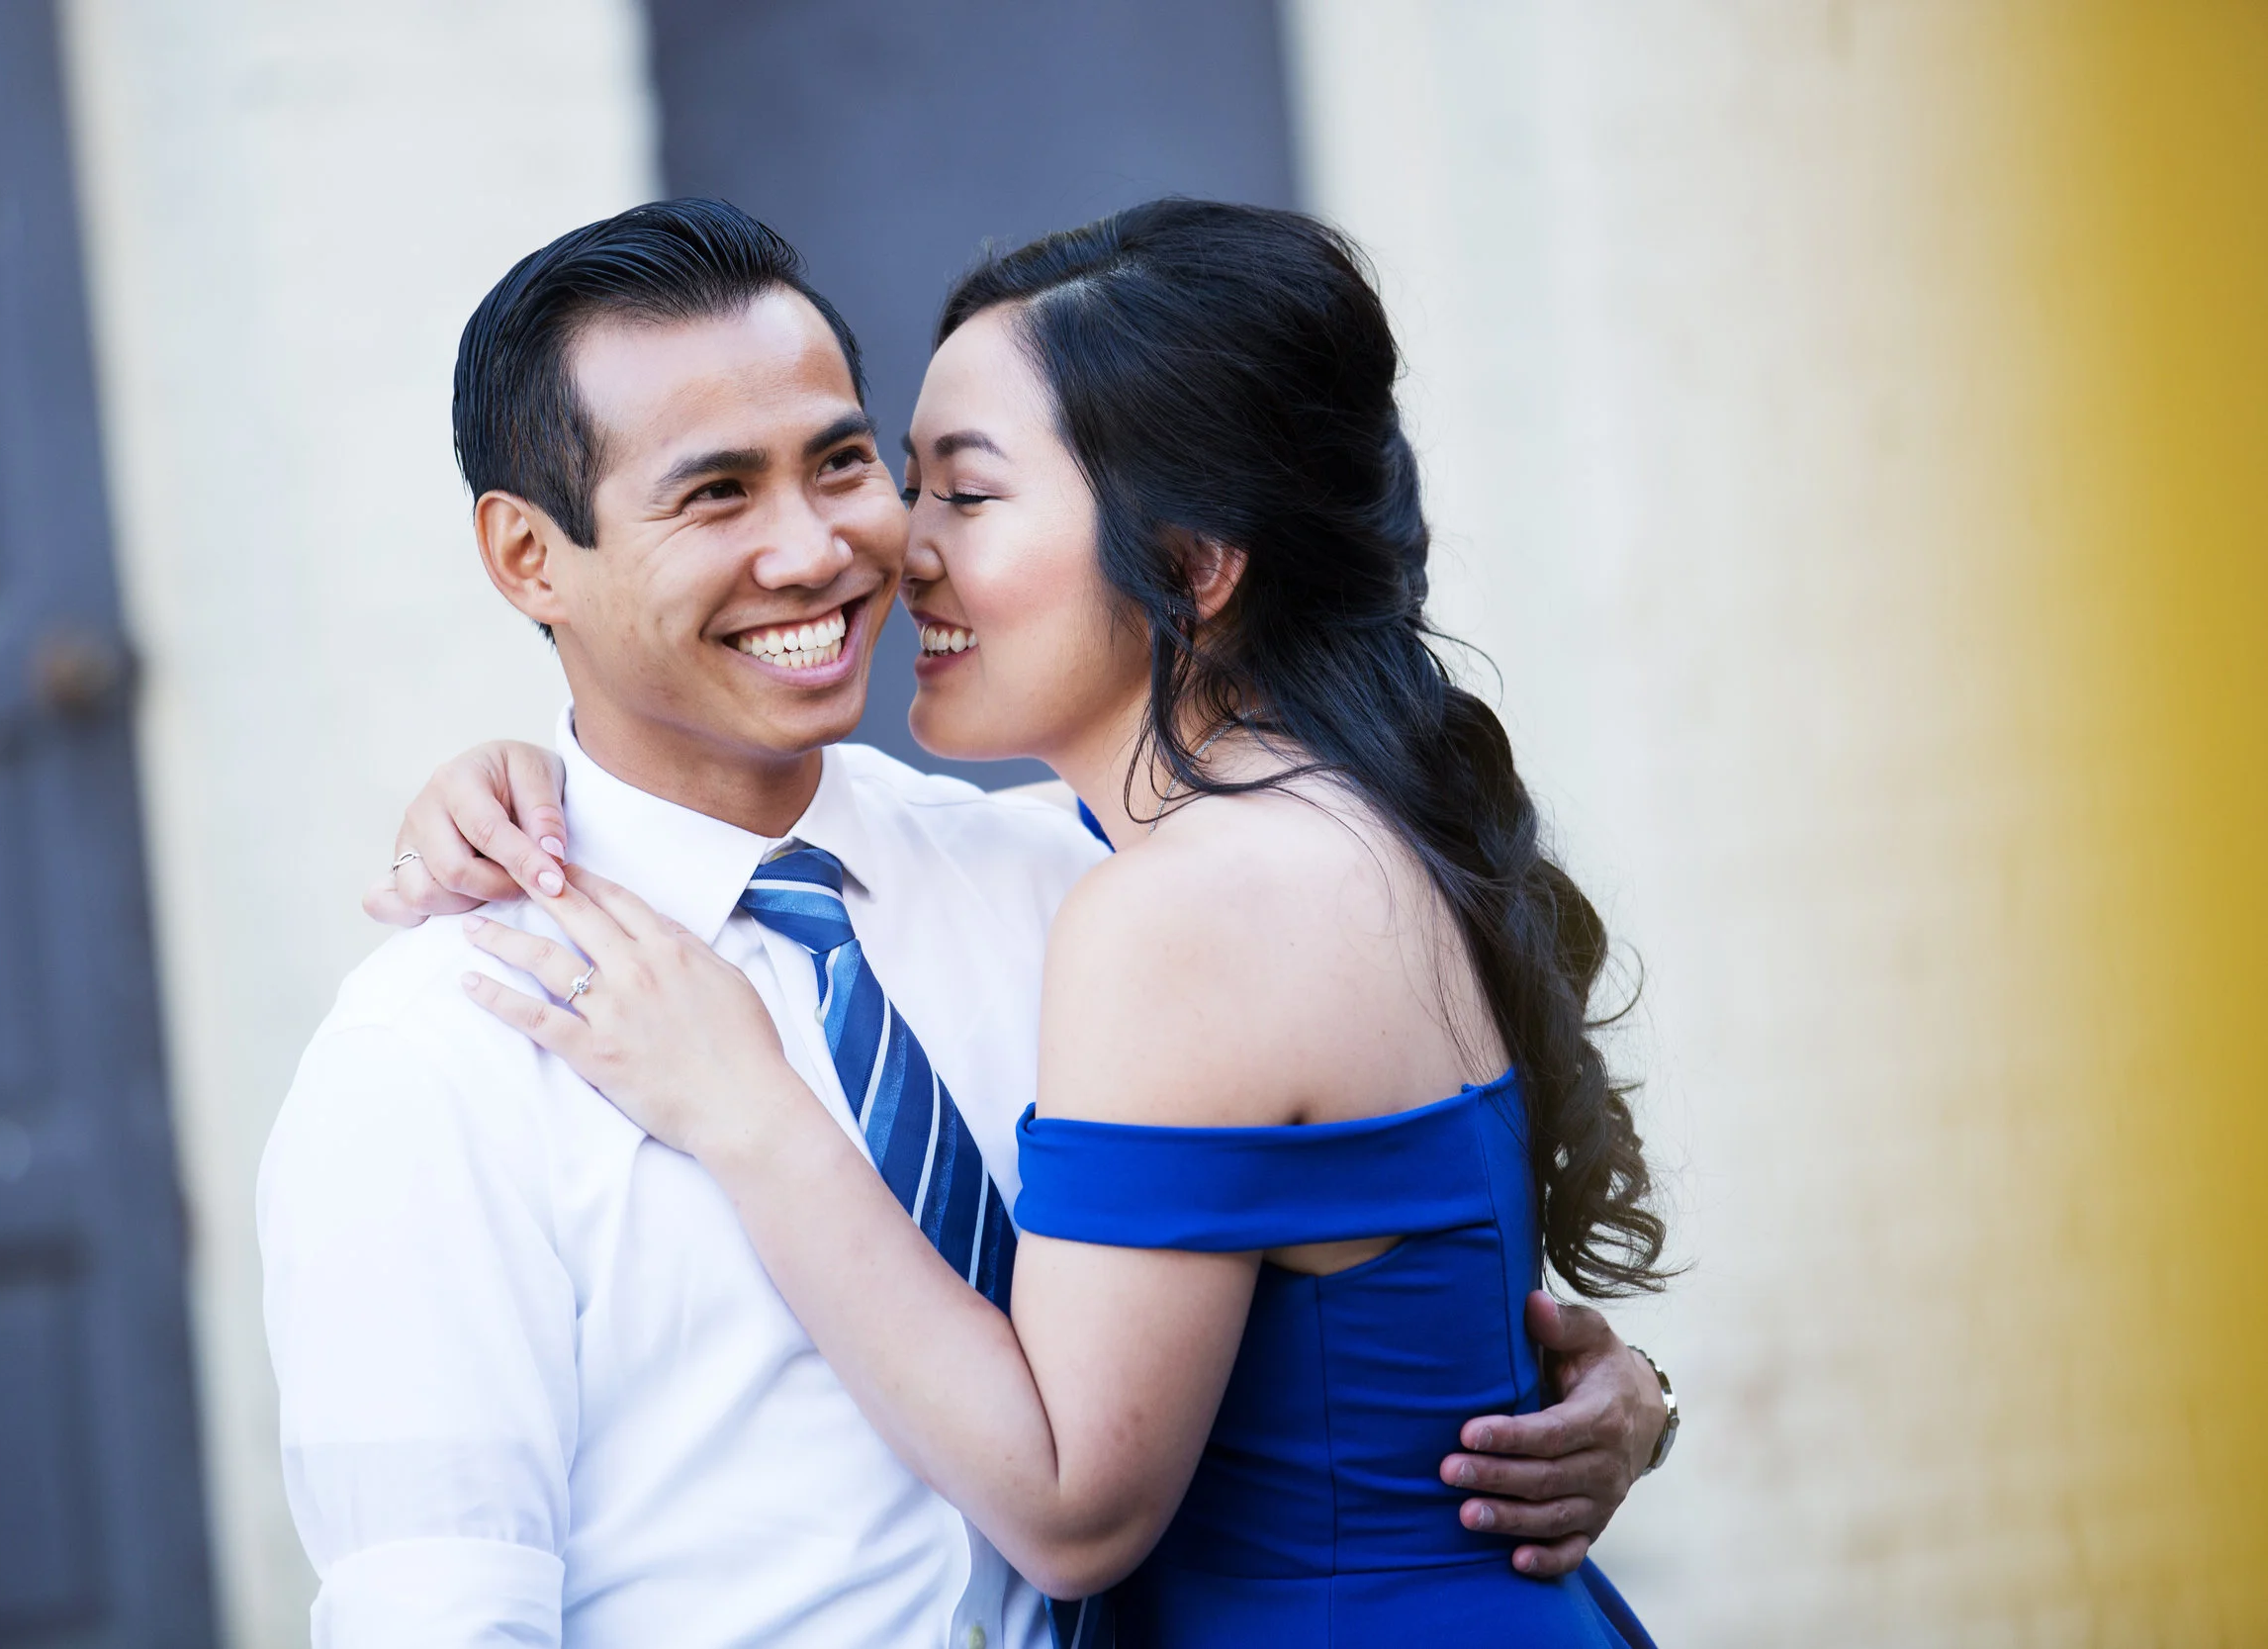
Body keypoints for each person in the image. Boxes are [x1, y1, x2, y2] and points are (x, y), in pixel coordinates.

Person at [266, 198, 1666, 1649]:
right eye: (717, 492)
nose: (834, 551)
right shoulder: (437, 1049)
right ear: (525, 556)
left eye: (845, 463)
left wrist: (1585, 1379)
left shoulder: (1075, 879)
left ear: (1190, 562)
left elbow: (1350, 1286)